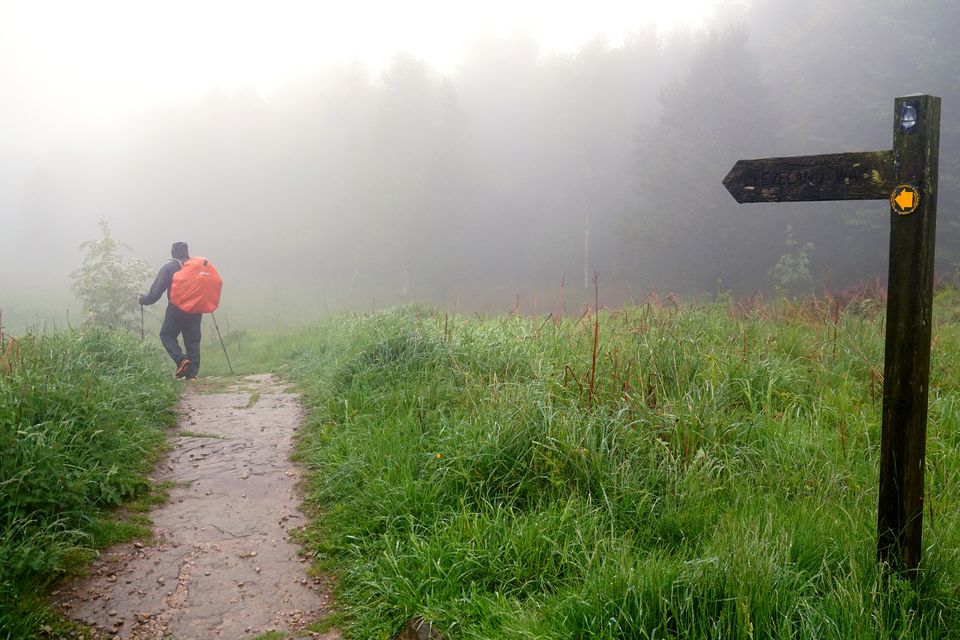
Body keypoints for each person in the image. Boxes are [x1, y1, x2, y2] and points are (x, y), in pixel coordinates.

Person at [139, 242, 201, 379]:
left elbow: (154, 294)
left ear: (173, 254)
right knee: (193, 341)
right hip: (196, 308)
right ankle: (192, 376)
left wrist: (143, 300)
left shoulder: (169, 268)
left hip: (177, 308)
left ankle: (181, 360)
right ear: (187, 252)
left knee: (167, 334)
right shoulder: (196, 267)